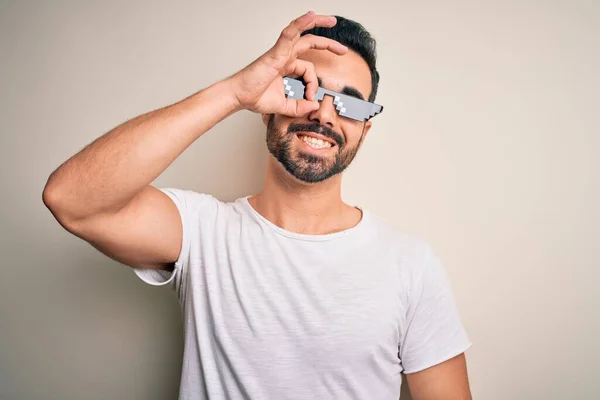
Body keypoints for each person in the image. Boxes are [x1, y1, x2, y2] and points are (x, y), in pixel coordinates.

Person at [43, 11, 472, 400]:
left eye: (350, 102)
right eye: (303, 87)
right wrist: (233, 93)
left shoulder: (411, 265)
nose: (323, 114)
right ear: (267, 108)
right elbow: (72, 201)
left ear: (364, 130)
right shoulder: (202, 232)